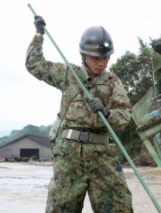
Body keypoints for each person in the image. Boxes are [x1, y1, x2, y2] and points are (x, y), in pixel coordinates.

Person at [25, 16, 133, 213]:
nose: (102, 63)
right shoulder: (69, 74)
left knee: (119, 207)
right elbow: (34, 65)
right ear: (83, 55)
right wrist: (39, 35)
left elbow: (125, 116)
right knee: (61, 208)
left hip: (103, 154)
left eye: (105, 57)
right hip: (69, 154)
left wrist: (107, 113)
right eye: (96, 58)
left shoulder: (112, 82)